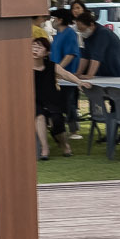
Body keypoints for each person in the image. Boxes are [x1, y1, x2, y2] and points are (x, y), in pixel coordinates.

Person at [75, 5, 120, 80]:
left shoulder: (103, 33)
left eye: (82, 29)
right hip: (104, 71)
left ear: (91, 25)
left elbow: (96, 56)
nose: (81, 32)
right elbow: (85, 56)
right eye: (79, 30)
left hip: (117, 68)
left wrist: (89, 75)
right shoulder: (87, 36)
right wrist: (78, 73)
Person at [48, 8, 82, 140]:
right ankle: (60, 129)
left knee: (69, 102)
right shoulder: (58, 34)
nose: (52, 22)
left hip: (67, 75)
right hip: (58, 76)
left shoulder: (69, 33)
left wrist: (58, 69)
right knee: (60, 103)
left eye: (53, 19)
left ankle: (74, 131)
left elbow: (71, 54)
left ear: (60, 20)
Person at [30, 31, 64, 159]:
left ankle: (64, 145)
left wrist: (79, 82)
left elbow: (65, 74)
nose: (35, 49)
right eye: (33, 46)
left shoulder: (51, 66)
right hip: (34, 101)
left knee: (57, 121)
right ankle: (45, 148)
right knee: (39, 116)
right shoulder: (25, 66)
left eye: (39, 47)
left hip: (51, 100)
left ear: (46, 52)